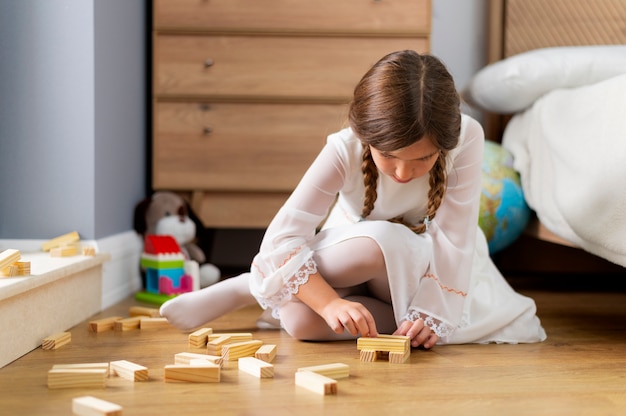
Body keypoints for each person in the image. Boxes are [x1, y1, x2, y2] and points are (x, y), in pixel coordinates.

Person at [160, 50, 547, 348]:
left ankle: (257, 284)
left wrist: (430, 316)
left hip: (430, 269)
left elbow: (453, 238)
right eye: (389, 156)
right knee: (324, 297)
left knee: (315, 309)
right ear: (366, 136)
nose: (401, 173)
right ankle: (257, 284)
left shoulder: (467, 137)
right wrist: (328, 304)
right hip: (351, 257)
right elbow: (283, 236)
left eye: (422, 160)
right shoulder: (344, 148)